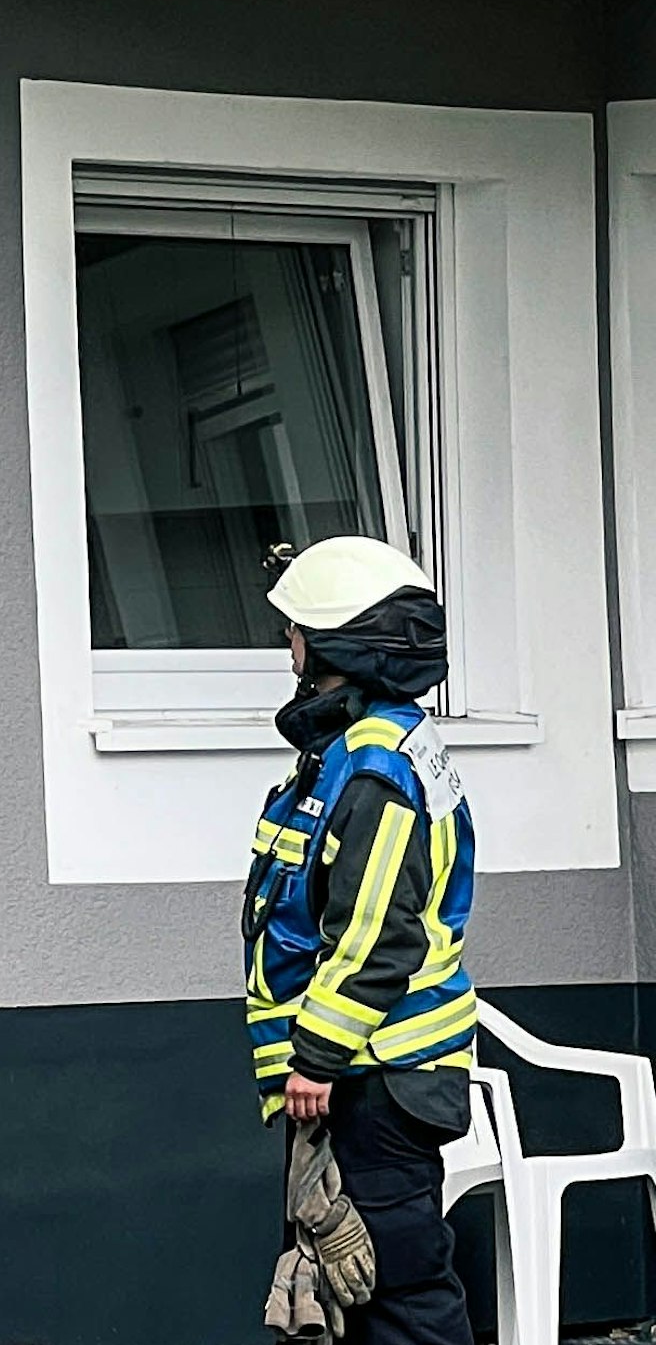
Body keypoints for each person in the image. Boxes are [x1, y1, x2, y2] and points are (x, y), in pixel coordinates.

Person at [244, 536, 476, 1345]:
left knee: (395, 1295)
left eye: (298, 631)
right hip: (366, 1074)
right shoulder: (361, 749)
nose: (290, 647)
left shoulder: (373, 769)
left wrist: (316, 1056)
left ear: (339, 645)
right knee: (334, 1291)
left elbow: (377, 931)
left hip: (374, 1077)